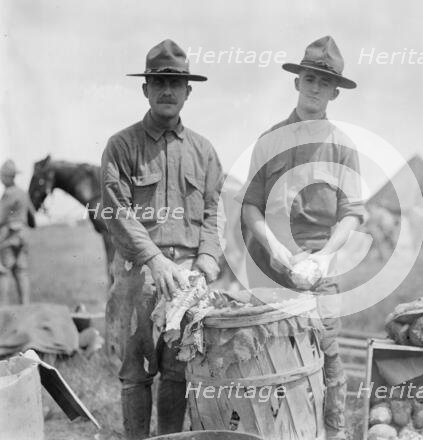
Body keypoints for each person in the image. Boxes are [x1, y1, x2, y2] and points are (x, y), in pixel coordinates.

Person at [239, 36, 365, 440]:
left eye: (324, 83)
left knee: (327, 357)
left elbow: (351, 213)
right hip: (269, 267)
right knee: (267, 358)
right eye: (309, 78)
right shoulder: (268, 140)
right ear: (297, 83)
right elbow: (250, 205)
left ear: (334, 93)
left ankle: (333, 434)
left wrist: (326, 257)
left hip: (319, 267)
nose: (314, 88)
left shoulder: (343, 148)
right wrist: (274, 248)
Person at [100, 40, 223, 439]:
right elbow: (118, 213)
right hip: (140, 275)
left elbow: (212, 214)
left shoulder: (204, 151)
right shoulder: (122, 146)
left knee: (178, 373)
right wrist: (155, 260)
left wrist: (206, 262)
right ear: (146, 89)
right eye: (159, 81)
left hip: (188, 280)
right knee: (136, 374)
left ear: (188, 91)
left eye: (176, 82)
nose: (167, 90)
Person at [0, 159, 34, 305]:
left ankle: (2, 309)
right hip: (23, 236)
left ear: (7, 177)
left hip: (9, 237)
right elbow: (32, 217)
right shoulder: (23, 193)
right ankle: (25, 308)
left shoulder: (8, 194)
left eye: (2, 175)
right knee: (22, 272)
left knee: (3, 272)